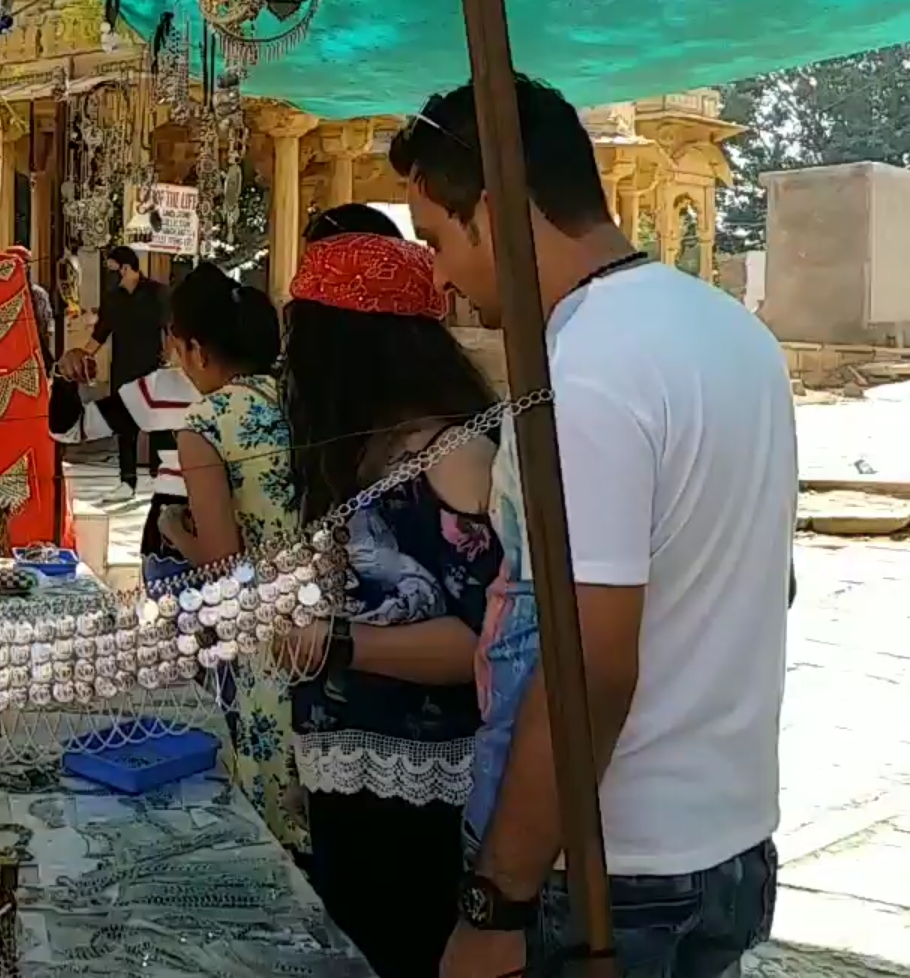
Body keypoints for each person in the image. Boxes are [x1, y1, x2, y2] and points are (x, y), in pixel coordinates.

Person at [390, 77, 796, 978]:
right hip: (727, 840)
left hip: (614, 875)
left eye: (437, 240)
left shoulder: (588, 371)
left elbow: (591, 668)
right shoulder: (735, 335)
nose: (442, 277)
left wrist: (497, 901)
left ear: (492, 213)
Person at [277, 206, 504, 978]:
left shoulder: (455, 454)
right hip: (346, 774)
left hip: (422, 794)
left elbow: (482, 643)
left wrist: (339, 642)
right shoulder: (363, 449)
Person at [152, 262, 305, 854]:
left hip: (265, 633)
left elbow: (224, 564)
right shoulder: (295, 398)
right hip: (328, 623)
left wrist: (173, 530)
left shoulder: (207, 422)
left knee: (275, 825)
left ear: (192, 348)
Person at [48, 362, 197, 584]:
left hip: (181, 526)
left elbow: (69, 430)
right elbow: (69, 429)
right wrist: (66, 378)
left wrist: (65, 376)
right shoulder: (164, 387)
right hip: (179, 533)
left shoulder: (167, 386)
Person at [65, 246, 167, 503]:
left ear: (125, 267)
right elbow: (100, 335)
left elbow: (171, 328)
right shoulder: (112, 299)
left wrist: (174, 358)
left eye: (112, 268)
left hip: (153, 368)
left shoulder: (157, 293)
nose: (109, 274)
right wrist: (81, 357)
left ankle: (160, 478)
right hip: (123, 369)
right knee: (125, 427)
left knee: (159, 426)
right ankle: (126, 481)